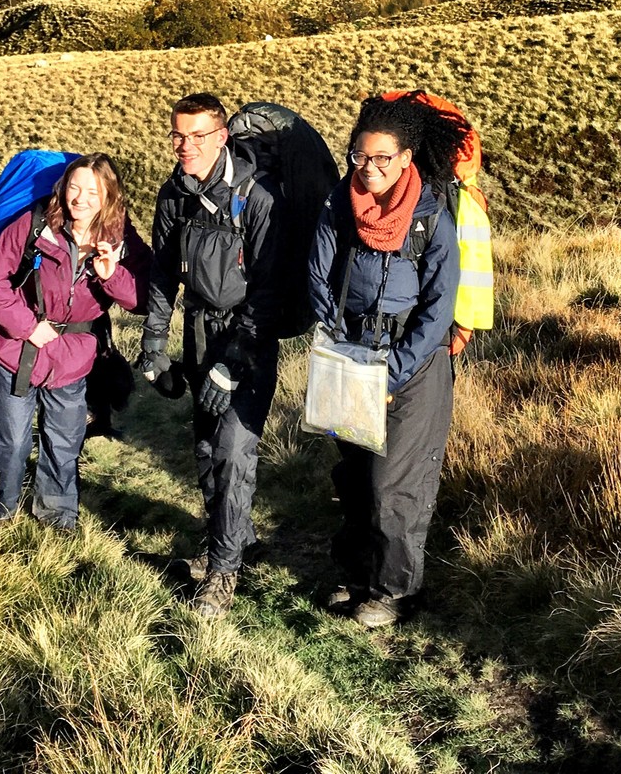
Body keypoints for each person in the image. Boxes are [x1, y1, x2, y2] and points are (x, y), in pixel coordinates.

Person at [306, 92, 466, 628]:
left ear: (406, 159)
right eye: (359, 157)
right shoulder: (339, 206)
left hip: (413, 367)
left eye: (380, 158)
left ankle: (394, 591)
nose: (367, 169)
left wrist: (393, 371)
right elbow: (319, 275)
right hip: (353, 355)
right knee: (354, 476)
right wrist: (338, 344)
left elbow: (439, 305)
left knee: (395, 483)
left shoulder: (433, 215)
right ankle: (355, 577)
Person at [137, 93, 282, 618]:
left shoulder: (257, 197)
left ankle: (222, 573)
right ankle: (232, 537)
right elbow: (161, 273)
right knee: (204, 446)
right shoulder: (173, 194)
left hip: (248, 336)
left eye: (198, 135)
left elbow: (269, 288)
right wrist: (153, 341)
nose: (185, 146)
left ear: (222, 136)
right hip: (198, 331)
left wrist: (235, 360)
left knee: (232, 450)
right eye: (178, 135)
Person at [0, 154, 150, 529]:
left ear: (109, 196)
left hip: (73, 359)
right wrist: (27, 326)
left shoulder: (120, 236)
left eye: (92, 191)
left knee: (65, 442)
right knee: (10, 442)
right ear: (62, 188)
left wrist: (111, 274)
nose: (80, 198)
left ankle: (56, 518)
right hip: (14, 351)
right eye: (74, 187)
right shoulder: (33, 225)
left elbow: (142, 300)